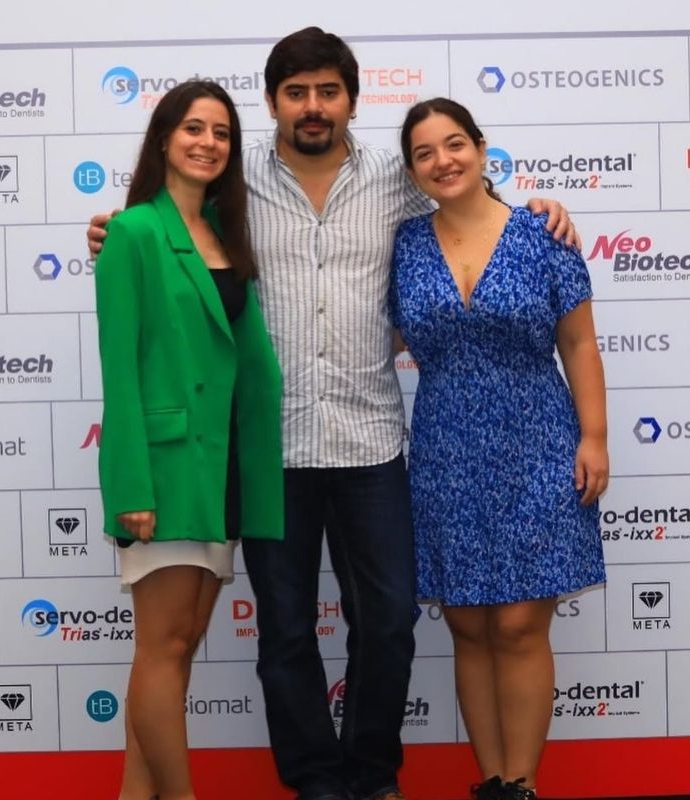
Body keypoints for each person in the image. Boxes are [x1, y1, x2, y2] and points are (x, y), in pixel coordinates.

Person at [89, 28, 578, 800]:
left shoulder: (393, 178)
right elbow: (165, 230)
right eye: (296, 93)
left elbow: (465, 199)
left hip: (370, 441)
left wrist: (536, 212)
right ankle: (315, 780)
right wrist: (108, 230)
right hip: (269, 449)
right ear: (273, 101)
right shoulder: (234, 182)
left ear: (351, 99)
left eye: (327, 91)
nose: (312, 106)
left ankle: (373, 775)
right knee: (285, 632)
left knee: (386, 622)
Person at [390, 97, 608, 800]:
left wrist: (595, 437)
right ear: (412, 172)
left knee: (517, 623)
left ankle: (523, 782)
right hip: (446, 450)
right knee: (466, 621)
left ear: (482, 150)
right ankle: (492, 783)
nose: (442, 160)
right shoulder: (404, 244)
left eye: (454, 143)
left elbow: (579, 343)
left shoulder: (543, 233)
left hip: (539, 441)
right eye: (424, 153)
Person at [94, 79, 284, 800]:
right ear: (165, 138)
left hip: (222, 468)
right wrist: (130, 485)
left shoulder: (224, 232)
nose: (209, 143)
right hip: (165, 475)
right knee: (164, 648)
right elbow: (119, 369)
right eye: (194, 128)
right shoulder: (133, 233)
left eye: (222, 133)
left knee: (178, 648)